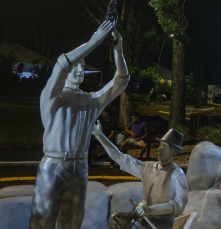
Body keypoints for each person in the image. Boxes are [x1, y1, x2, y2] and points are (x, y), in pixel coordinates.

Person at [29, 20, 129, 229]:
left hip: (80, 167)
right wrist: (95, 40)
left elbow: (121, 80)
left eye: (82, 67)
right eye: (76, 66)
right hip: (53, 165)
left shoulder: (91, 101)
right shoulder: (51, 97)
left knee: (73, 223)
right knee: (42, 222)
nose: (79, 70)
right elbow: (62, 63)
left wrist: (118, 50)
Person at [92, 122, 188, 229]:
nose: (159, 149)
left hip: (161, 222)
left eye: (164, 146)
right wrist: (99, 135)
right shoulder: (148, 168)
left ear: (173, 151)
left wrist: (150, 209)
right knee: (116, 219)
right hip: (143, 215)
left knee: (135, 226)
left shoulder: (176, 174)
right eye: (160, 145)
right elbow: (120, 158)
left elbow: (179, 204)